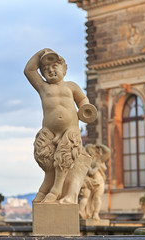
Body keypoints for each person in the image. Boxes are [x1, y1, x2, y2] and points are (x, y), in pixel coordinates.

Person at [24, 48, 96, 203]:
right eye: (46, 69)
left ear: (64, 69)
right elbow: (29, 70)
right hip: (49, 130)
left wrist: (86, 109)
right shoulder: (43, 87)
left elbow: (83, 100)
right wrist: (41, 53)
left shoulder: (71, 86)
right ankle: (45, 189)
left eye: (54, 66)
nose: (50, 70)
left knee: (63, 159)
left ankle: (55, 191)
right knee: (46, 159)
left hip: (69, 129)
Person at [79, 144, 110, 220]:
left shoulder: (99, 159)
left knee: (97, 197)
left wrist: (100, 145)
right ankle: (81, 212)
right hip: (89, 183)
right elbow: (89, 172)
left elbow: (108, 152)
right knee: (85, 197)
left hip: (99, 182)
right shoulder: (86, 161)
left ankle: (95, 214)